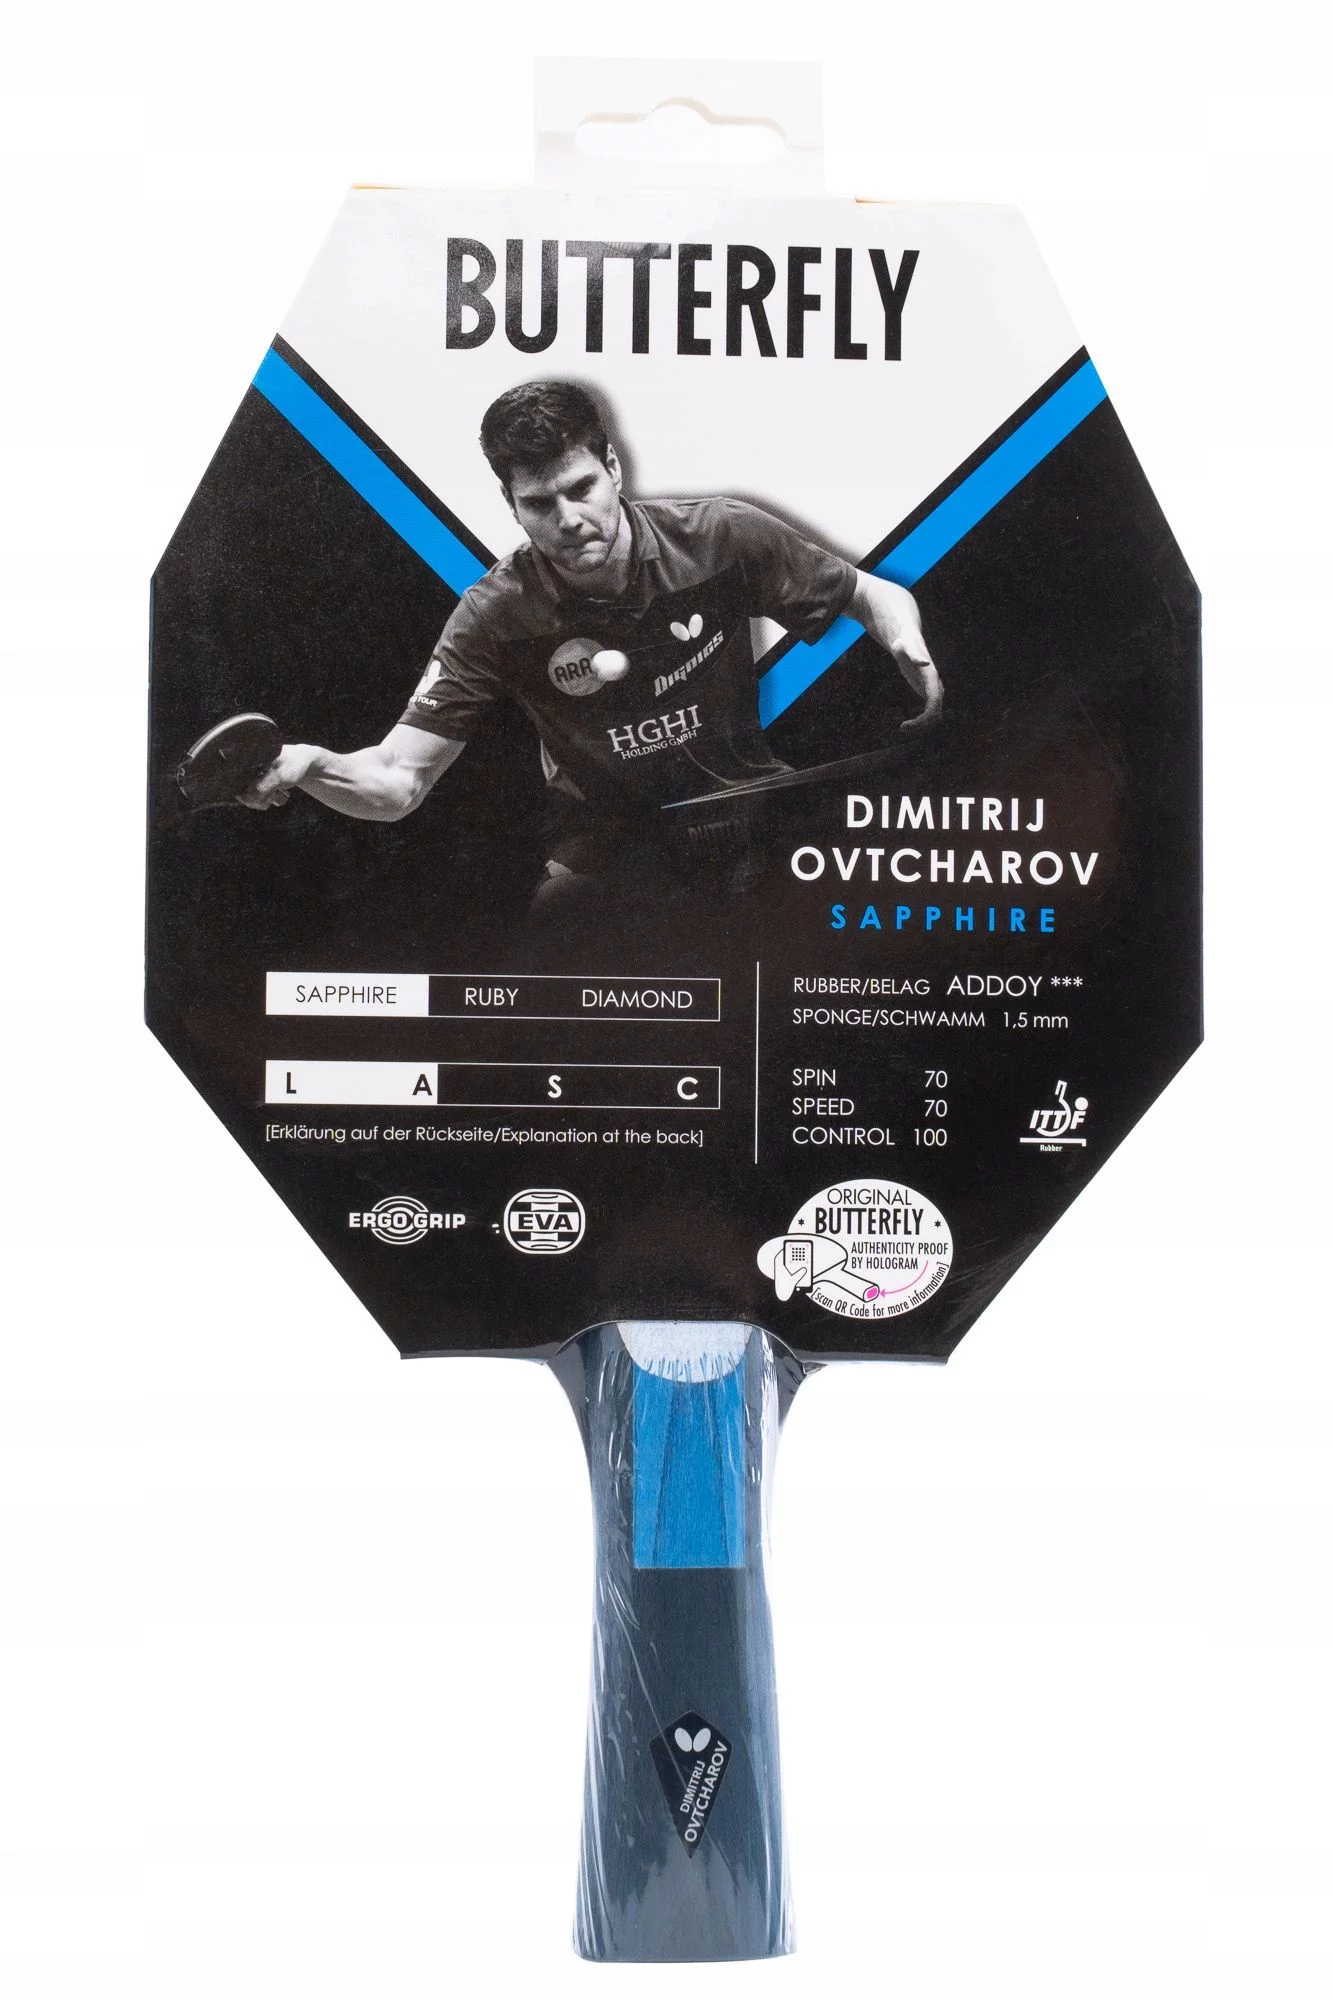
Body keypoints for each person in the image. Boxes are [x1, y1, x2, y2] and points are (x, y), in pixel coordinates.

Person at [244, 380, 942, 911]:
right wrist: (312, 765)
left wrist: (905, 639)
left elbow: (869, 592)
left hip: (748, 813)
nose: (569, 519)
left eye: (581, 488)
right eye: (538, 503)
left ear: (613, 467)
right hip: (608, 849)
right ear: (511, 504)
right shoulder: (495, 617)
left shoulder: (720, 538)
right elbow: (398, 781)